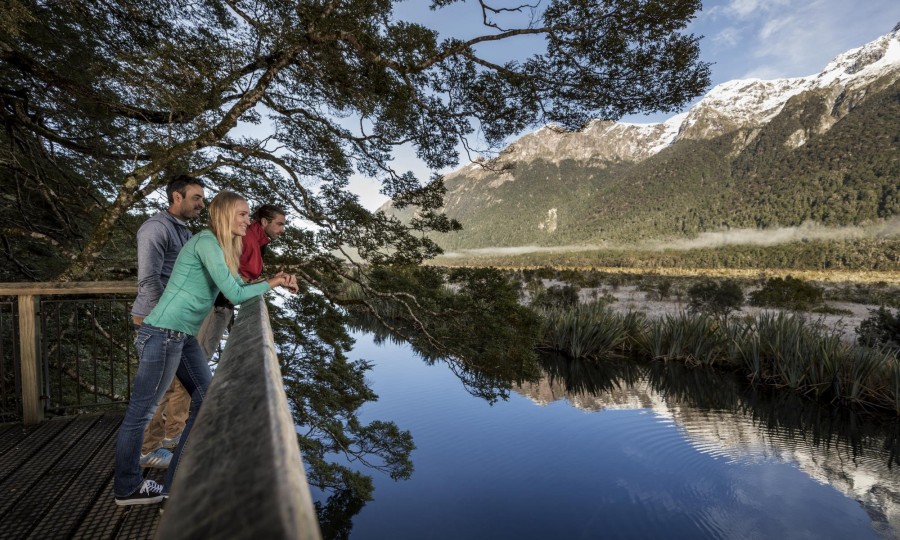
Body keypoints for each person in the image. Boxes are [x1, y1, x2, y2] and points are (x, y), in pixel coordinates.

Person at [114, 191, 298, 506]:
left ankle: (176, 484)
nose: (247, 220)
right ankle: (127, 488)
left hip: (180, 336)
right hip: (163, 333)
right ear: (226, 215)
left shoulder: (222, 247)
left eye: (248, 214)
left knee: (205, 401)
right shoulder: (206, 242)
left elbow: (236, 286)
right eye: (242, 214)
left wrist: (273, 278)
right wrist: (275, 283)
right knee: (140, 413)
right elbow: (234, 292)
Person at [131, 175, 205, 469]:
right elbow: (149, 280)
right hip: (157, 322)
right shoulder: (155, 228)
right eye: (196, 197)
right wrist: (170, 314)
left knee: (184, 388)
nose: (202, 203)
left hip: (177, 324)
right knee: (155, 394)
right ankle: (145, 453)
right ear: (177, 197)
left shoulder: (183, 232)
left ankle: (169, 440)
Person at [195, 204, 289, 358]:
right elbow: (229, 273)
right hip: (215, 306)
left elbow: (242, 276)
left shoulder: (258, 241)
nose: (282, 230)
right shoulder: (246, 239)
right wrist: (274, 281)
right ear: (265, 222)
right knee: (199, 356)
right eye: (279, 224)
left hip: (221, 303)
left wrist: (276, 279)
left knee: (197, 357)